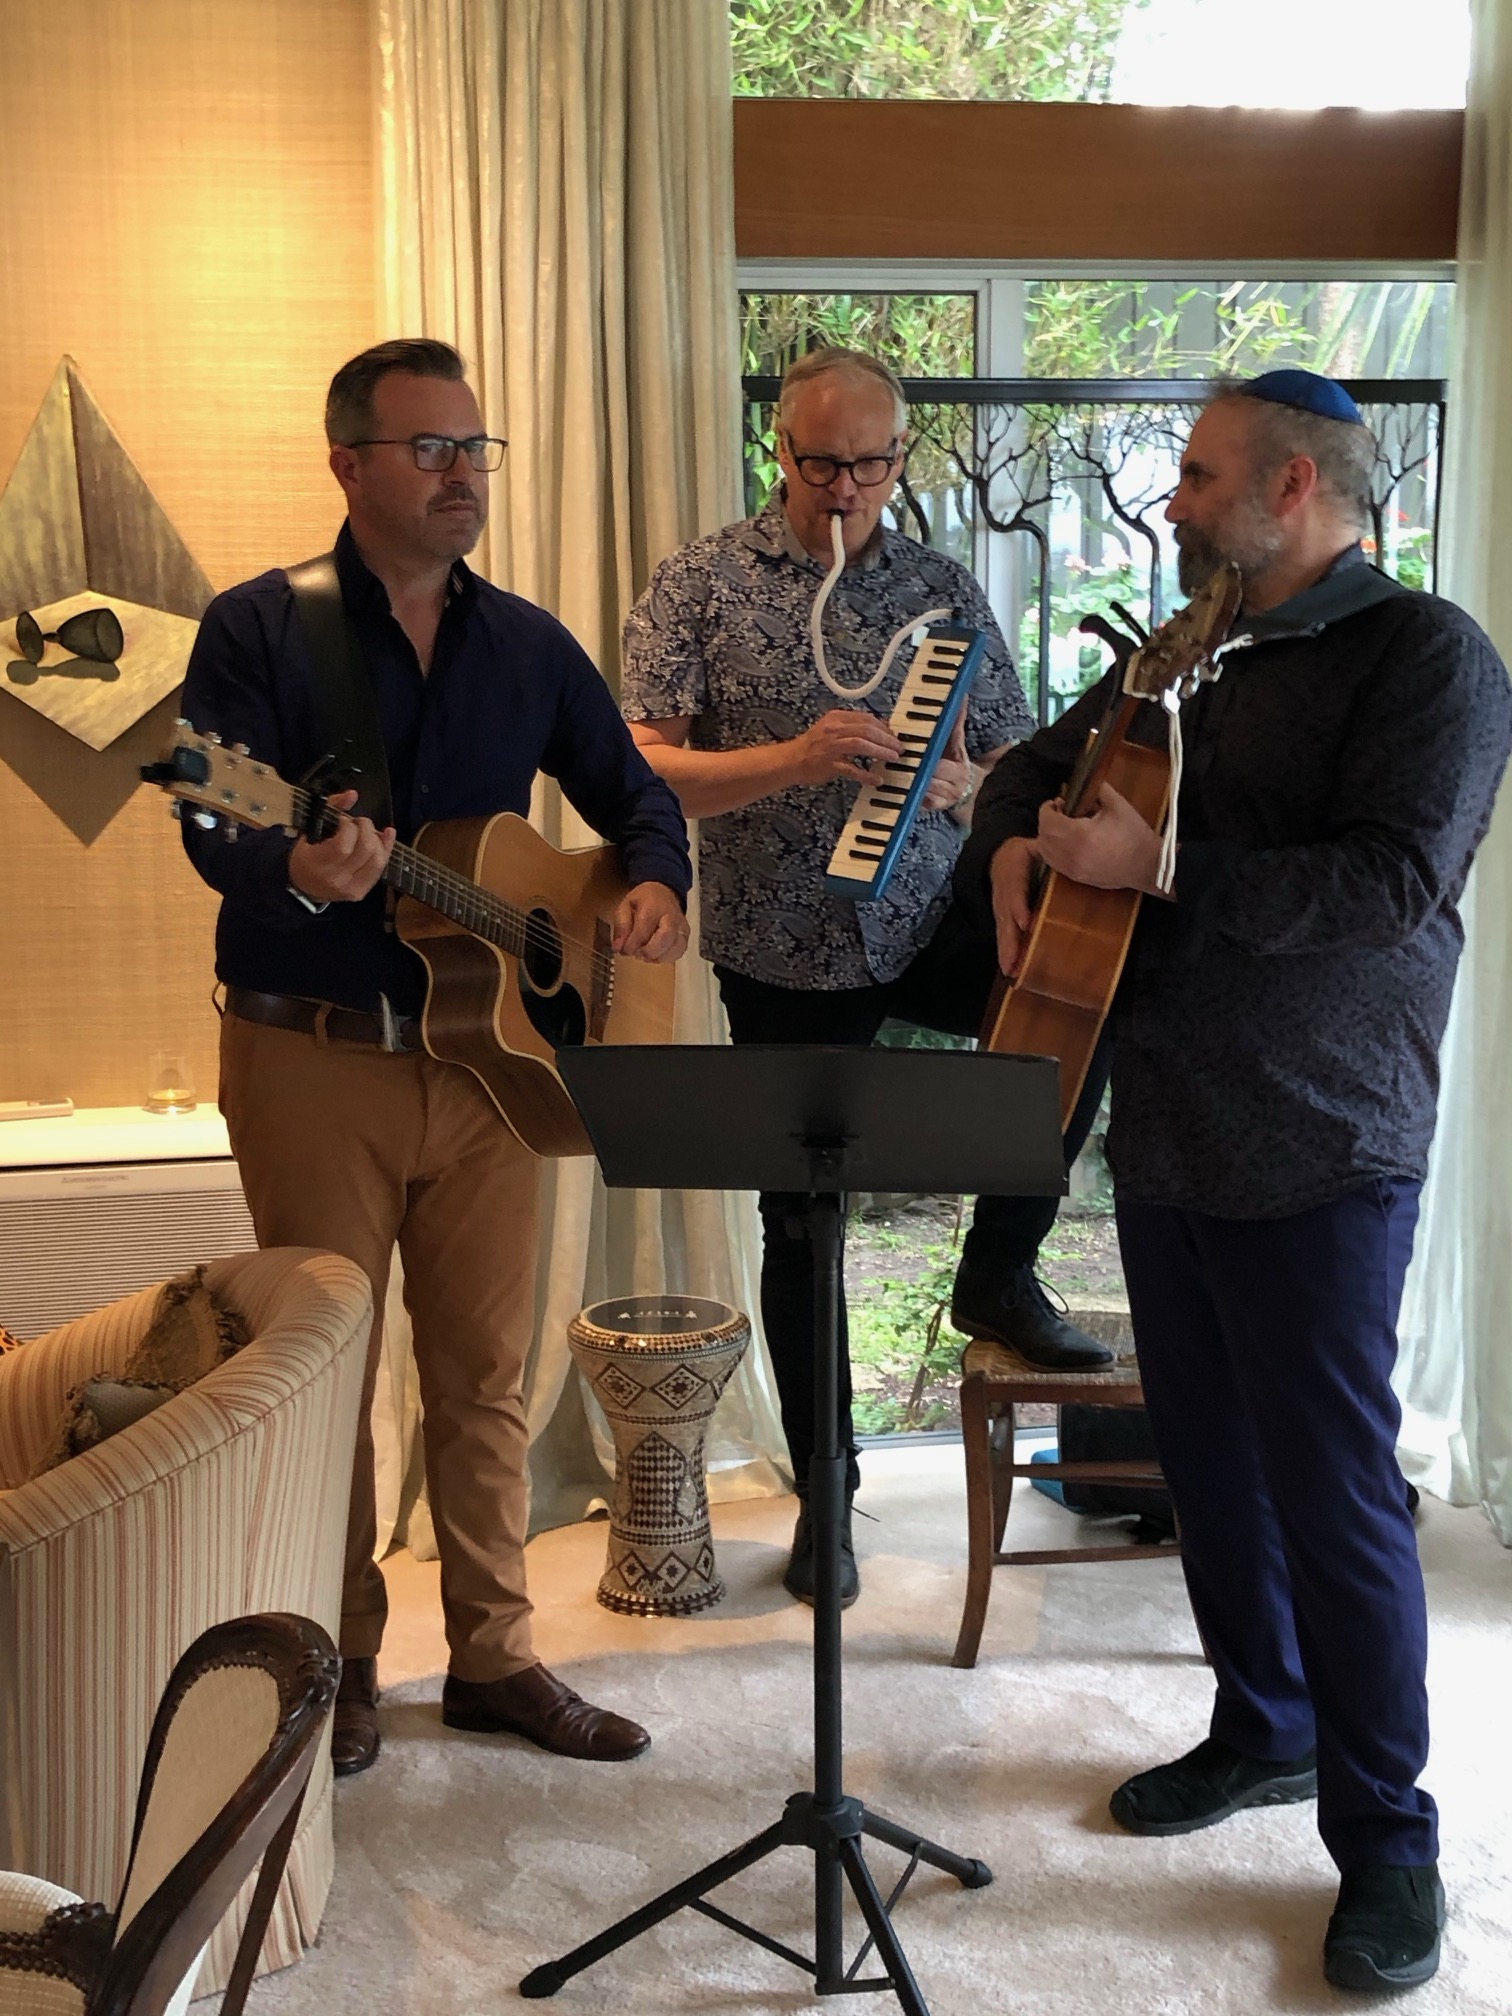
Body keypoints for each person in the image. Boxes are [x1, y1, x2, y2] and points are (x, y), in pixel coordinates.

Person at [959, 367, 1512, 1993]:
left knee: (1334, 1497)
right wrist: (1013, 843)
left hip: (1327, 1133)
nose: (1174, 501)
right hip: (1168, 1126)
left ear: (1291, 489)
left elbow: (1393, 884)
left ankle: (1390, 1839)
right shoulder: (1181, 652)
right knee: (1204, 1464)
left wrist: (1166, 866)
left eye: (1199, 475)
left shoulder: (1428, 657)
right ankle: (1263, 1724)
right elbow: (1031, 770)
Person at [180, 338, 692, 1776]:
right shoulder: (259, 628)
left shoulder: (526, 642)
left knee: (484, 1373)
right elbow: (208, 811)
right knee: (326, 1377)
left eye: (475, 449)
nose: (464, 474)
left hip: (492, 1072)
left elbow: (635, 794)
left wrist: (654, 883)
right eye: (431, 450)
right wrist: (294, 862)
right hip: (313, 1055)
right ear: (348, 463)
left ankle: (495, 1657)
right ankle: (337, 1660)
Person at [620, 346, 1112, 1609]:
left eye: (872, 463)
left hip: (931, 912)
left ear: (900, 459)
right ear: (779, 452)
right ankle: (827, 1492)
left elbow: (1017, 760)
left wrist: (962, 785)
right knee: (804, 1224)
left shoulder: (942, 588)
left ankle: (997, 1270)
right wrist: (789, 761)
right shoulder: (700, 582)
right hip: (781, 939)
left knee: (1086, 1009)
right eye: (822, 462)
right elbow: (640, 766)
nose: (846, 487)